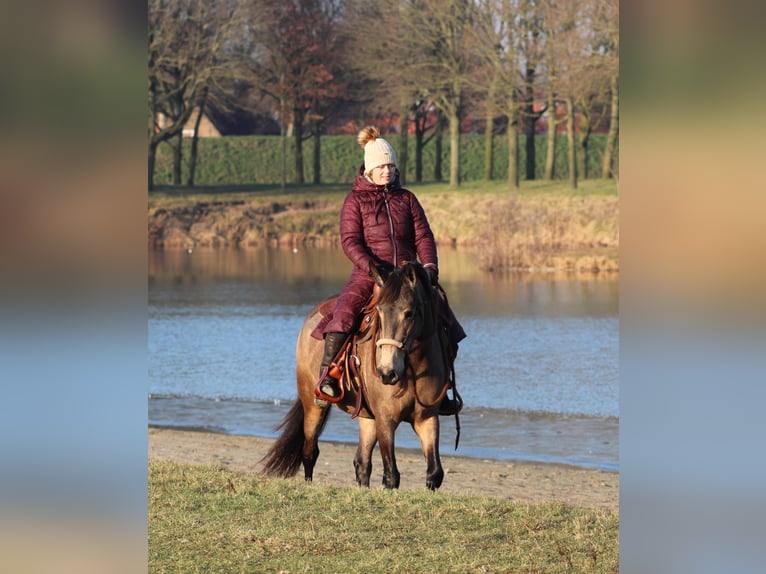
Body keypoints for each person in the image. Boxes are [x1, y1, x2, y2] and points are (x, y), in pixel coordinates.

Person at [313, 126, 466, 411]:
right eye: (382, 166)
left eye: (391, 166)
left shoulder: (407, 198)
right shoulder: (354, 201)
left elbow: (423, 235)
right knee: (345, 313)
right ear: (369, 170)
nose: (387, 171)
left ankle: (441, 387)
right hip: (369, 273)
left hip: (409, 276)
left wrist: (429, 267)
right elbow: (350, 241)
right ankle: (328, 376)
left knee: (448, 323)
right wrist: (372, 268)